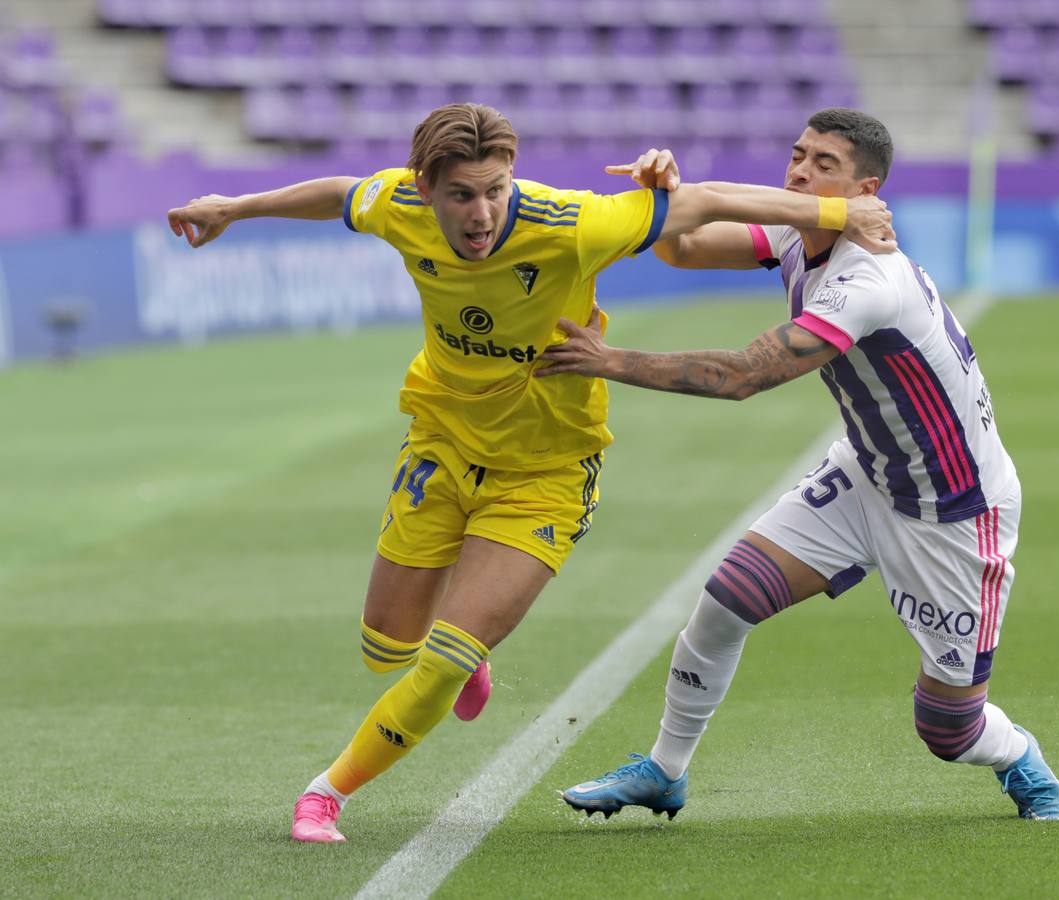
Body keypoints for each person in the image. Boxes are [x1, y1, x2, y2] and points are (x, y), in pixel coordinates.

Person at [165, 103, 896, 843]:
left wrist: (841, 210)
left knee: (444, 656)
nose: (481, 214)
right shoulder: (397, 205)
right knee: (385, 645)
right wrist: (236, 207)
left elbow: (699, 202)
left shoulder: (571, 223)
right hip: (441, 442)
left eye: (496, 189)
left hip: (546, 468)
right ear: (424, 191)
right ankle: (461, 646)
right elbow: (339, 193)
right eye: (461, 196)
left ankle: (325, 795)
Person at [543, 108, 1059, 822]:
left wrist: (609, 362)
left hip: (951, 511)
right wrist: (663, 195)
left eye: (824, 163)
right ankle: (665, 770)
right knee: (728, 597)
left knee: (947, 730)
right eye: (797, 155)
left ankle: (1015, 754)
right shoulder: (797, 234)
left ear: (865, 189)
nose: (799, 171)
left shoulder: (870, 281)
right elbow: (685, 248)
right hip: (865, 473)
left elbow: (741, 375)